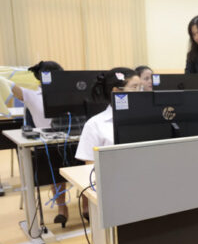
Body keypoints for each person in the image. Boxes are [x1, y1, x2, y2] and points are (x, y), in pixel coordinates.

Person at [4, 61, 70, 226]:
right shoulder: (32, 94)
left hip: (71, 139)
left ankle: (86, 208)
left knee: (85, 164)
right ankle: (62, 208)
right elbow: (11, 87)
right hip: (49, 143)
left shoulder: (68, 93)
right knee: (55, 170)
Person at [75, 68, 141, 164]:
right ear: (116, 91)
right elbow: (90, 165)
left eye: (140, 88)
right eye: (135, 87)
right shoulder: (94, 124)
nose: (140, 92)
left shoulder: (143, 119)